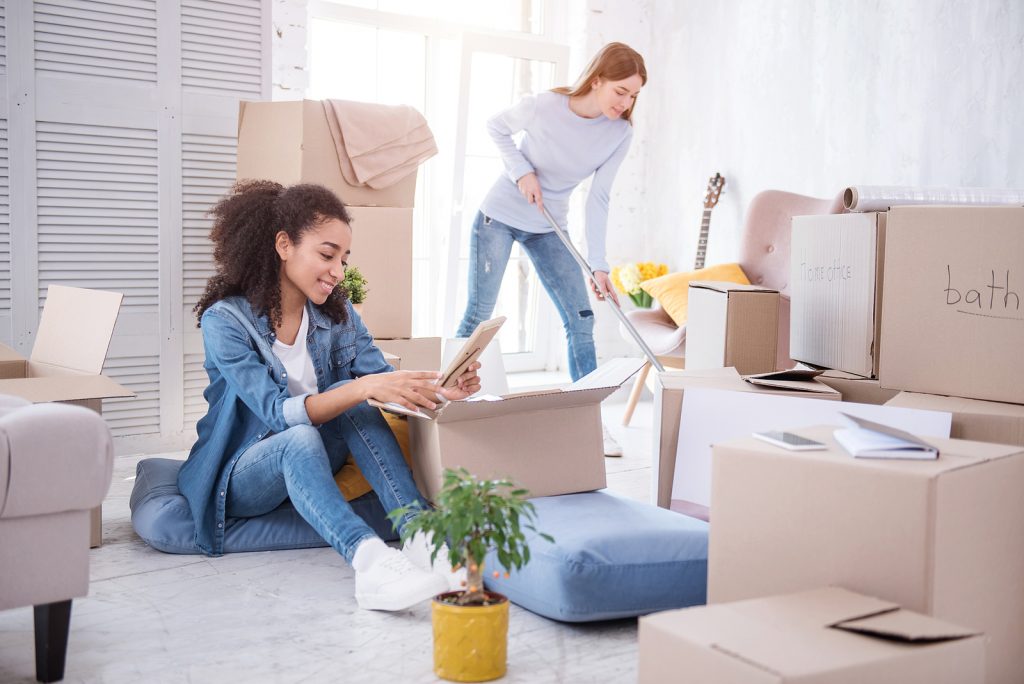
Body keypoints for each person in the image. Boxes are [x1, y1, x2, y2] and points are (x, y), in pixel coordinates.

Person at [178, 180, 480, 611]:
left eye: (343, 258)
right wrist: (361, 387)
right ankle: (371, 563)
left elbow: (381, 384)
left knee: (353, 397)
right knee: (319, 418)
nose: (338, 270)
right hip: (245, 471)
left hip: (316, 459)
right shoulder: (225, 322)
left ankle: (420, 534)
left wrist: (443, 389)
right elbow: (277, 416)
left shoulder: (336, 313)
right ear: (284, 245)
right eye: (327, 254)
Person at [455, 42, 646, 457]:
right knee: (477, 316)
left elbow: (599, 198)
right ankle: (448, 406)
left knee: (581, 320)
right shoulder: (544, 105)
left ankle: (588, 423)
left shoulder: (619, 133)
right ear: (597, 80)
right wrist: (522, 171)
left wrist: (599, 266)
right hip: (500, 215)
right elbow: (495, 127)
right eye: (621, 91)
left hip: (549, 226)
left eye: (634, 95)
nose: (626, 102)